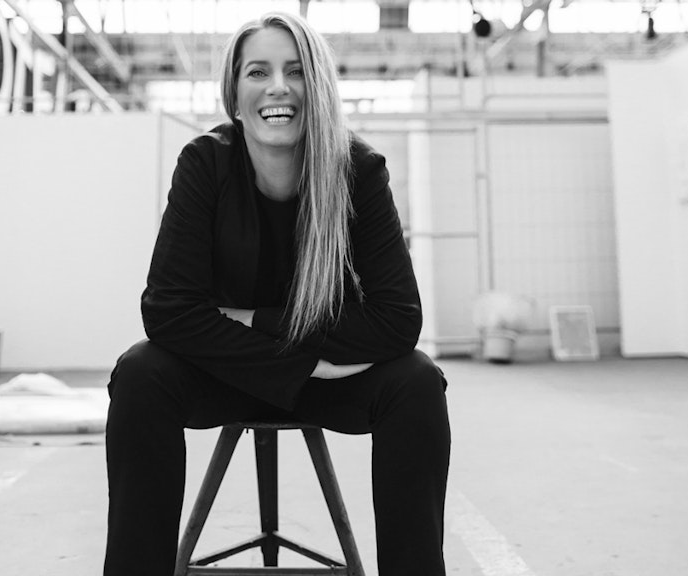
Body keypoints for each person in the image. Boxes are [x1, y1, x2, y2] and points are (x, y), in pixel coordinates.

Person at [104, 11, 450, 576]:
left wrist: (253, 320)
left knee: (416, 381)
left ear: (317, 88)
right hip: (231, 372)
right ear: (235, 93)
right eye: (257, 72)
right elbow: (166, 310)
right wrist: (306, 360)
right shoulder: (204, 164)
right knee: (140, 374)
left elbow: (397, 320)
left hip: (320, 377)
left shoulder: (358, 170)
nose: (277, 88)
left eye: (294, 72)